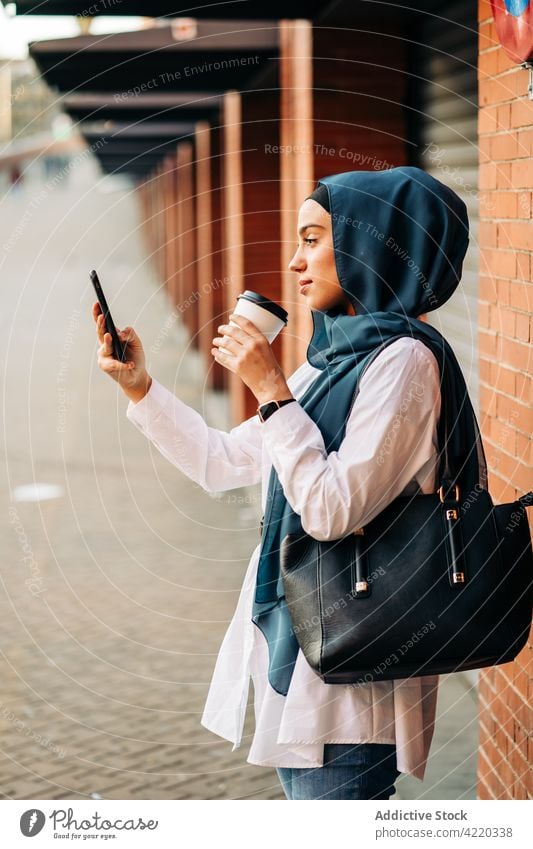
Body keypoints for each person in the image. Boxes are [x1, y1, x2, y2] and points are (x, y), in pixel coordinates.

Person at [94, 166, 480, 800]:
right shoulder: (333, 361)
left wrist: (272, 390)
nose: (296, 263)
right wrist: (141, 388)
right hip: (304, 653)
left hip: (354, 673)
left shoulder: (405, 361)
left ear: (371, 243)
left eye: (312, 239)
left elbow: (330, 510)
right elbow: (225, 462)